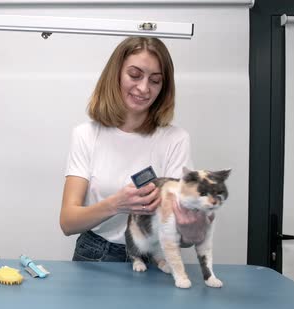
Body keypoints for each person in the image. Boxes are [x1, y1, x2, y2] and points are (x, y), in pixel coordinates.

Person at [59, 36, 199, 262]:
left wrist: (192, 226)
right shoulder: (86, 135)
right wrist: (116, 204)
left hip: (153, 257)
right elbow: (68, 222)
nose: (144, 88)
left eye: (155, 81)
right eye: (134, 75)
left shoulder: (176, 139)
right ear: (115, 75)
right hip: (95, 254)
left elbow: (184, 239)